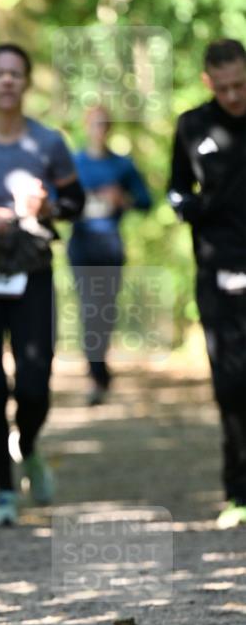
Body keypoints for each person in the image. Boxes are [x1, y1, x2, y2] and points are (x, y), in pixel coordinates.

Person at [0, 44, 85, 527]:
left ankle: (29, 447)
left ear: (27, 81)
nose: (8, 81)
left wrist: (47, 208)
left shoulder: (47, 142)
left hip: (32, 274)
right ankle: (4, 492)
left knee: (35, 386)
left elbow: (75, 201)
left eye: (16, 73)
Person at [168, 38, 246, 529]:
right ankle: (238, 491)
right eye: (224, 88)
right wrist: (191, 209)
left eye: (241, 84)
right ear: (208, 83)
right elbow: (176, 188)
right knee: (232, 383)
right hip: (218, 269)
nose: (235, 96)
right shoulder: (192, 125)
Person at [70, 106, 152, 405]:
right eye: (94, 123)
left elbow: (146, 201)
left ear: (110, 128)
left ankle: (101, 368)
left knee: (104, 310)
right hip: (81, 244)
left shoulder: (122, 165)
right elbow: (58, 202)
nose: (99, 128)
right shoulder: (74, 163)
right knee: (88, 308)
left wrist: (123, 198)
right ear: (86, 125)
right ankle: (96, 375)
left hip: (110, 245)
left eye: (104, 123)